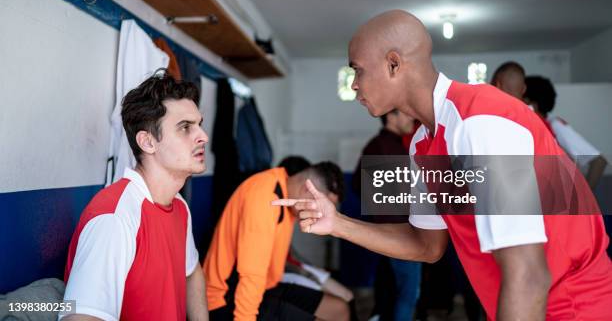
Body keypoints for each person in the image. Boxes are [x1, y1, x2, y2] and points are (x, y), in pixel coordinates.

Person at [274, 10, 612, 320]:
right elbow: (426, 245)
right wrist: (336, 223)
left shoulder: (479, 122)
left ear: (394, 64)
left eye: (357, 69)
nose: (355, 85)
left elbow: (529, 275)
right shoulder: (425, 143)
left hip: (573, 308)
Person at [61, 71, 208, 320]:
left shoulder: (179, 205)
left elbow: (191, 272)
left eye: (199, 125)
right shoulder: (115, 218)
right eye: (185, 127)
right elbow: (80, 316)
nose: (203, 136)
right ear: (148, 142)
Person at [204, 162, 348, 321]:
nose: (320, 215)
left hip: (266, 289)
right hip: (227, 298)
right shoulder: (265, 197)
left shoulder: (284, 190)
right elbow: (251, 275)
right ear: (307, 189)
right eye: (320, 207)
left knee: (339, 310)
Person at [352, 110, 422, 321]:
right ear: (391, 117)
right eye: (406, 114)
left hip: (392, 230)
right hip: (401, 233)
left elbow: (357, 184)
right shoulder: (383, 147)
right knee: (407, 295)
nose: (411, 118)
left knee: (395, 291)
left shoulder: (388, 145)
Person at [524, 75, 608, 190]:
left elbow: (599, 162)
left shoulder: (555, 125)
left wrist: (583, 202)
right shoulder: (533, 128)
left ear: (532, 104)